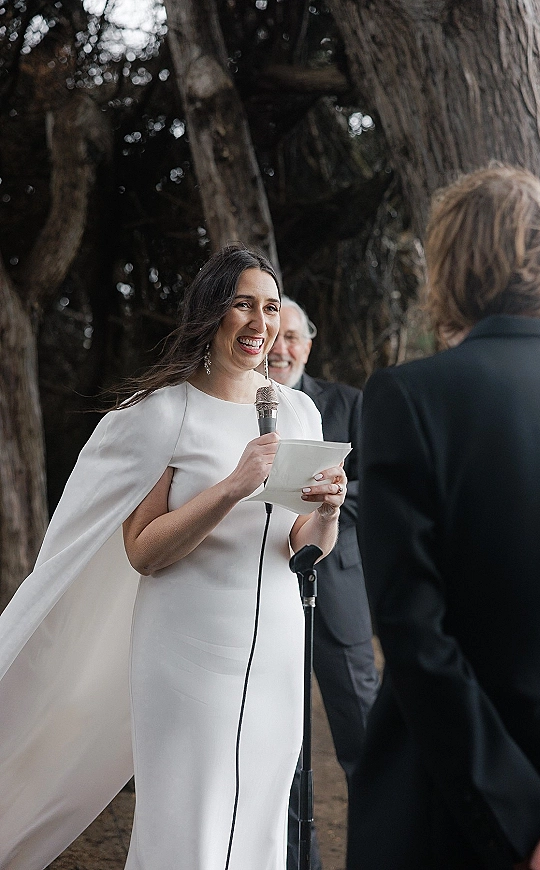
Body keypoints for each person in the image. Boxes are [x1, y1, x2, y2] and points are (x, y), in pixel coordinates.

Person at [0, 244, 348, 870]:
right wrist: (232, 487)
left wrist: (327, 510)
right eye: (243, 304)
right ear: (211, 311)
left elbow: (305, 552)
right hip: (186, 653)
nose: (260, 324)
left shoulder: (298, 410)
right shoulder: (165, 413)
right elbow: (143, 552)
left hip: (276, 652)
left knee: (263, 821)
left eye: (270, 308)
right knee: (189, 823)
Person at [349, 166, 540, 870]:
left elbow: (416, 635)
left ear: (446, 266)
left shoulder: (408, 399)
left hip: (449, 810)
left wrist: (528, 821)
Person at [268, 298, 379, 869]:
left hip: (340, 598)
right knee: (284, 756)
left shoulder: (349, 404)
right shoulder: (247, 408)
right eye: (273, 336)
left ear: (309, 343)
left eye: (293, 336)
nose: (281, 347)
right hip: (263, 599)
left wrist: (330, 495)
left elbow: (381, 487)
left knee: (368, 747)